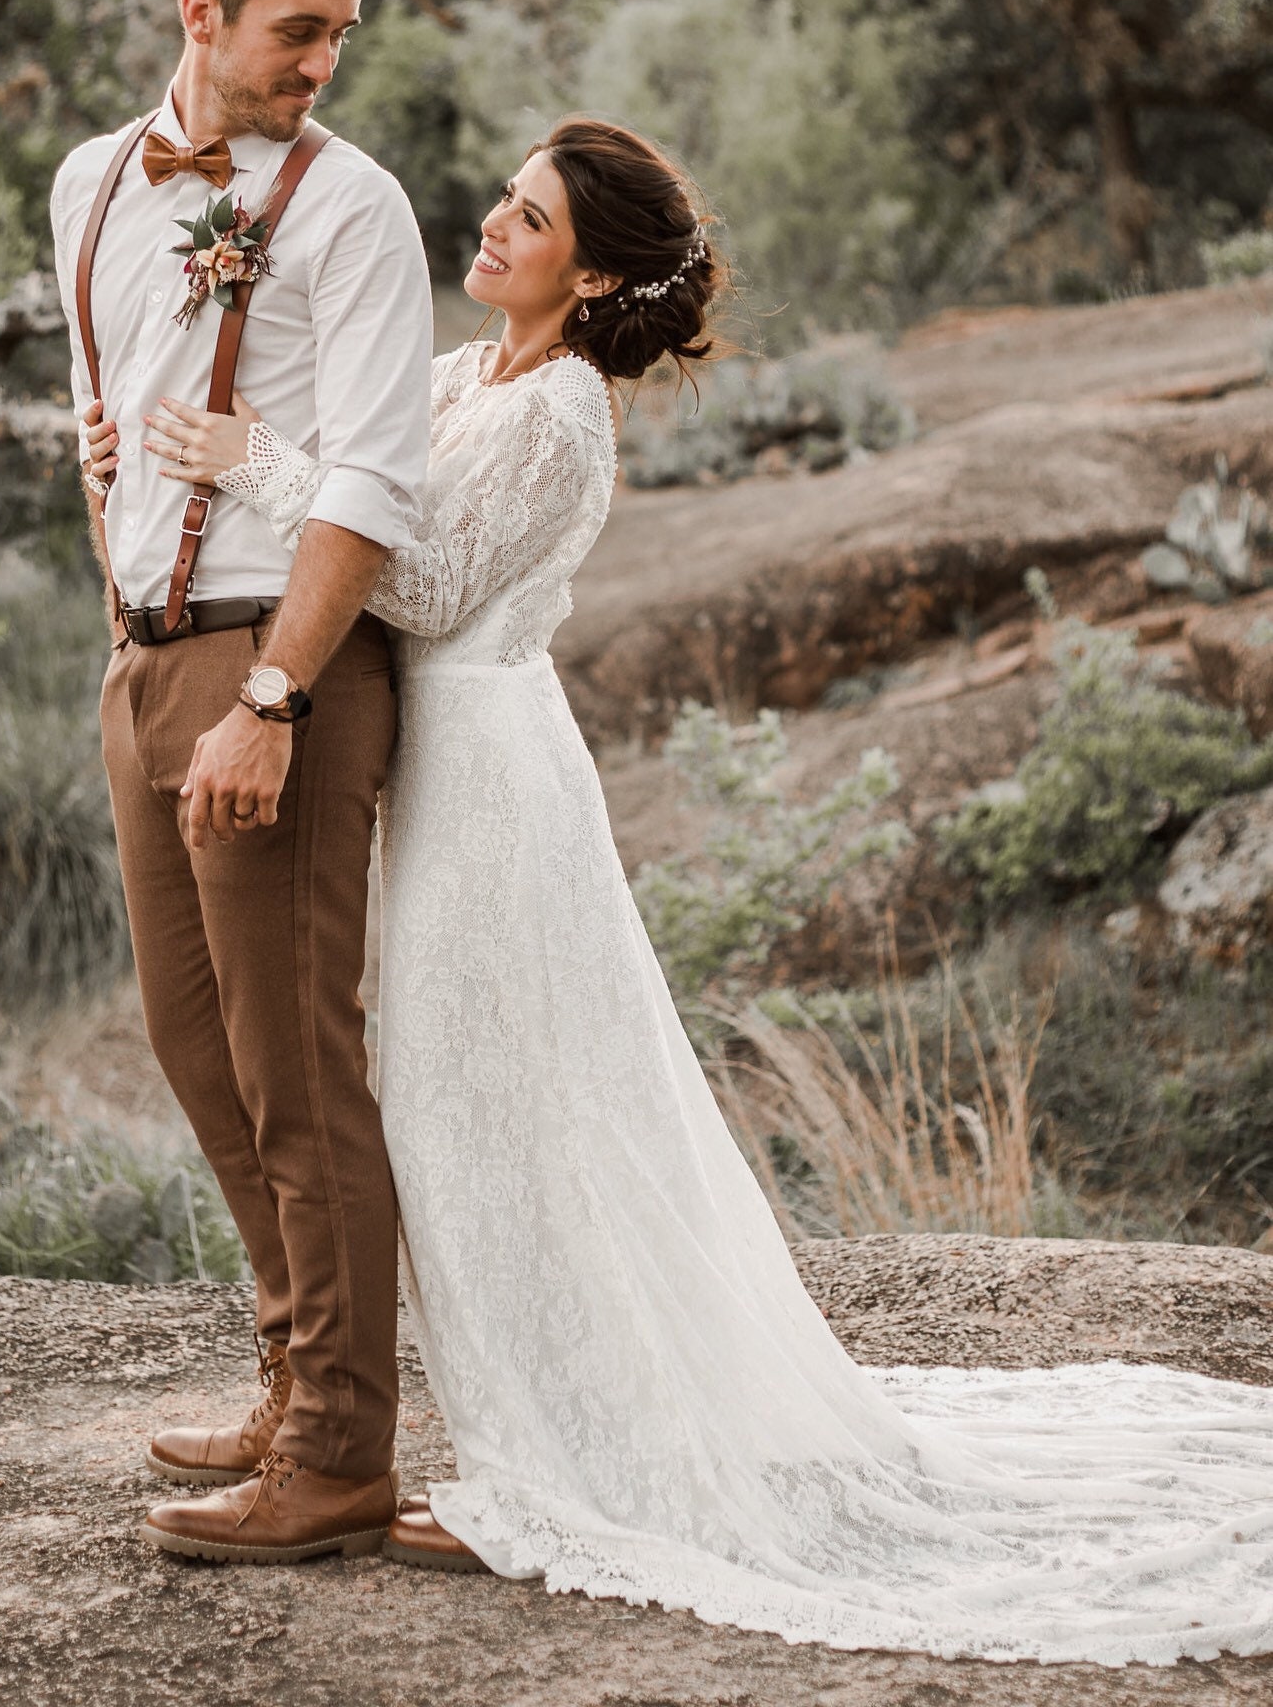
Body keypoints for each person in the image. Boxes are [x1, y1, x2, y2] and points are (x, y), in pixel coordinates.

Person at [90, 118, 1273, 1662]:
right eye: (508, 202)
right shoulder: (472, 377)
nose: (496, 226)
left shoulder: (566, 409)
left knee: (490, 1106)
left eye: (530, 219)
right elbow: (355, 487)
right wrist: (179, 452)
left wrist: (255, 458)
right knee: (462, 1101)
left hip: (492, 772)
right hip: (434, 762)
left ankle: (555, 1465)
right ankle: (407, 1412)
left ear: (588, 276)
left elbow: (427, 579)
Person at [52, 0, 433, 1564]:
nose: (323, 63)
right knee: (196, 1051)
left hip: (276, 669)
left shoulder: (353, 209)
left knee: (298, 1067)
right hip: (143, 657)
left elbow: (373, 475)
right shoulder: (87, 182)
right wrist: (126, 606)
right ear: (200, 12)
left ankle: (344, 1447)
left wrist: (271, 693)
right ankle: (295, 1375)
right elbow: (108, 408)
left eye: (343, 32)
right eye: (299, 29)